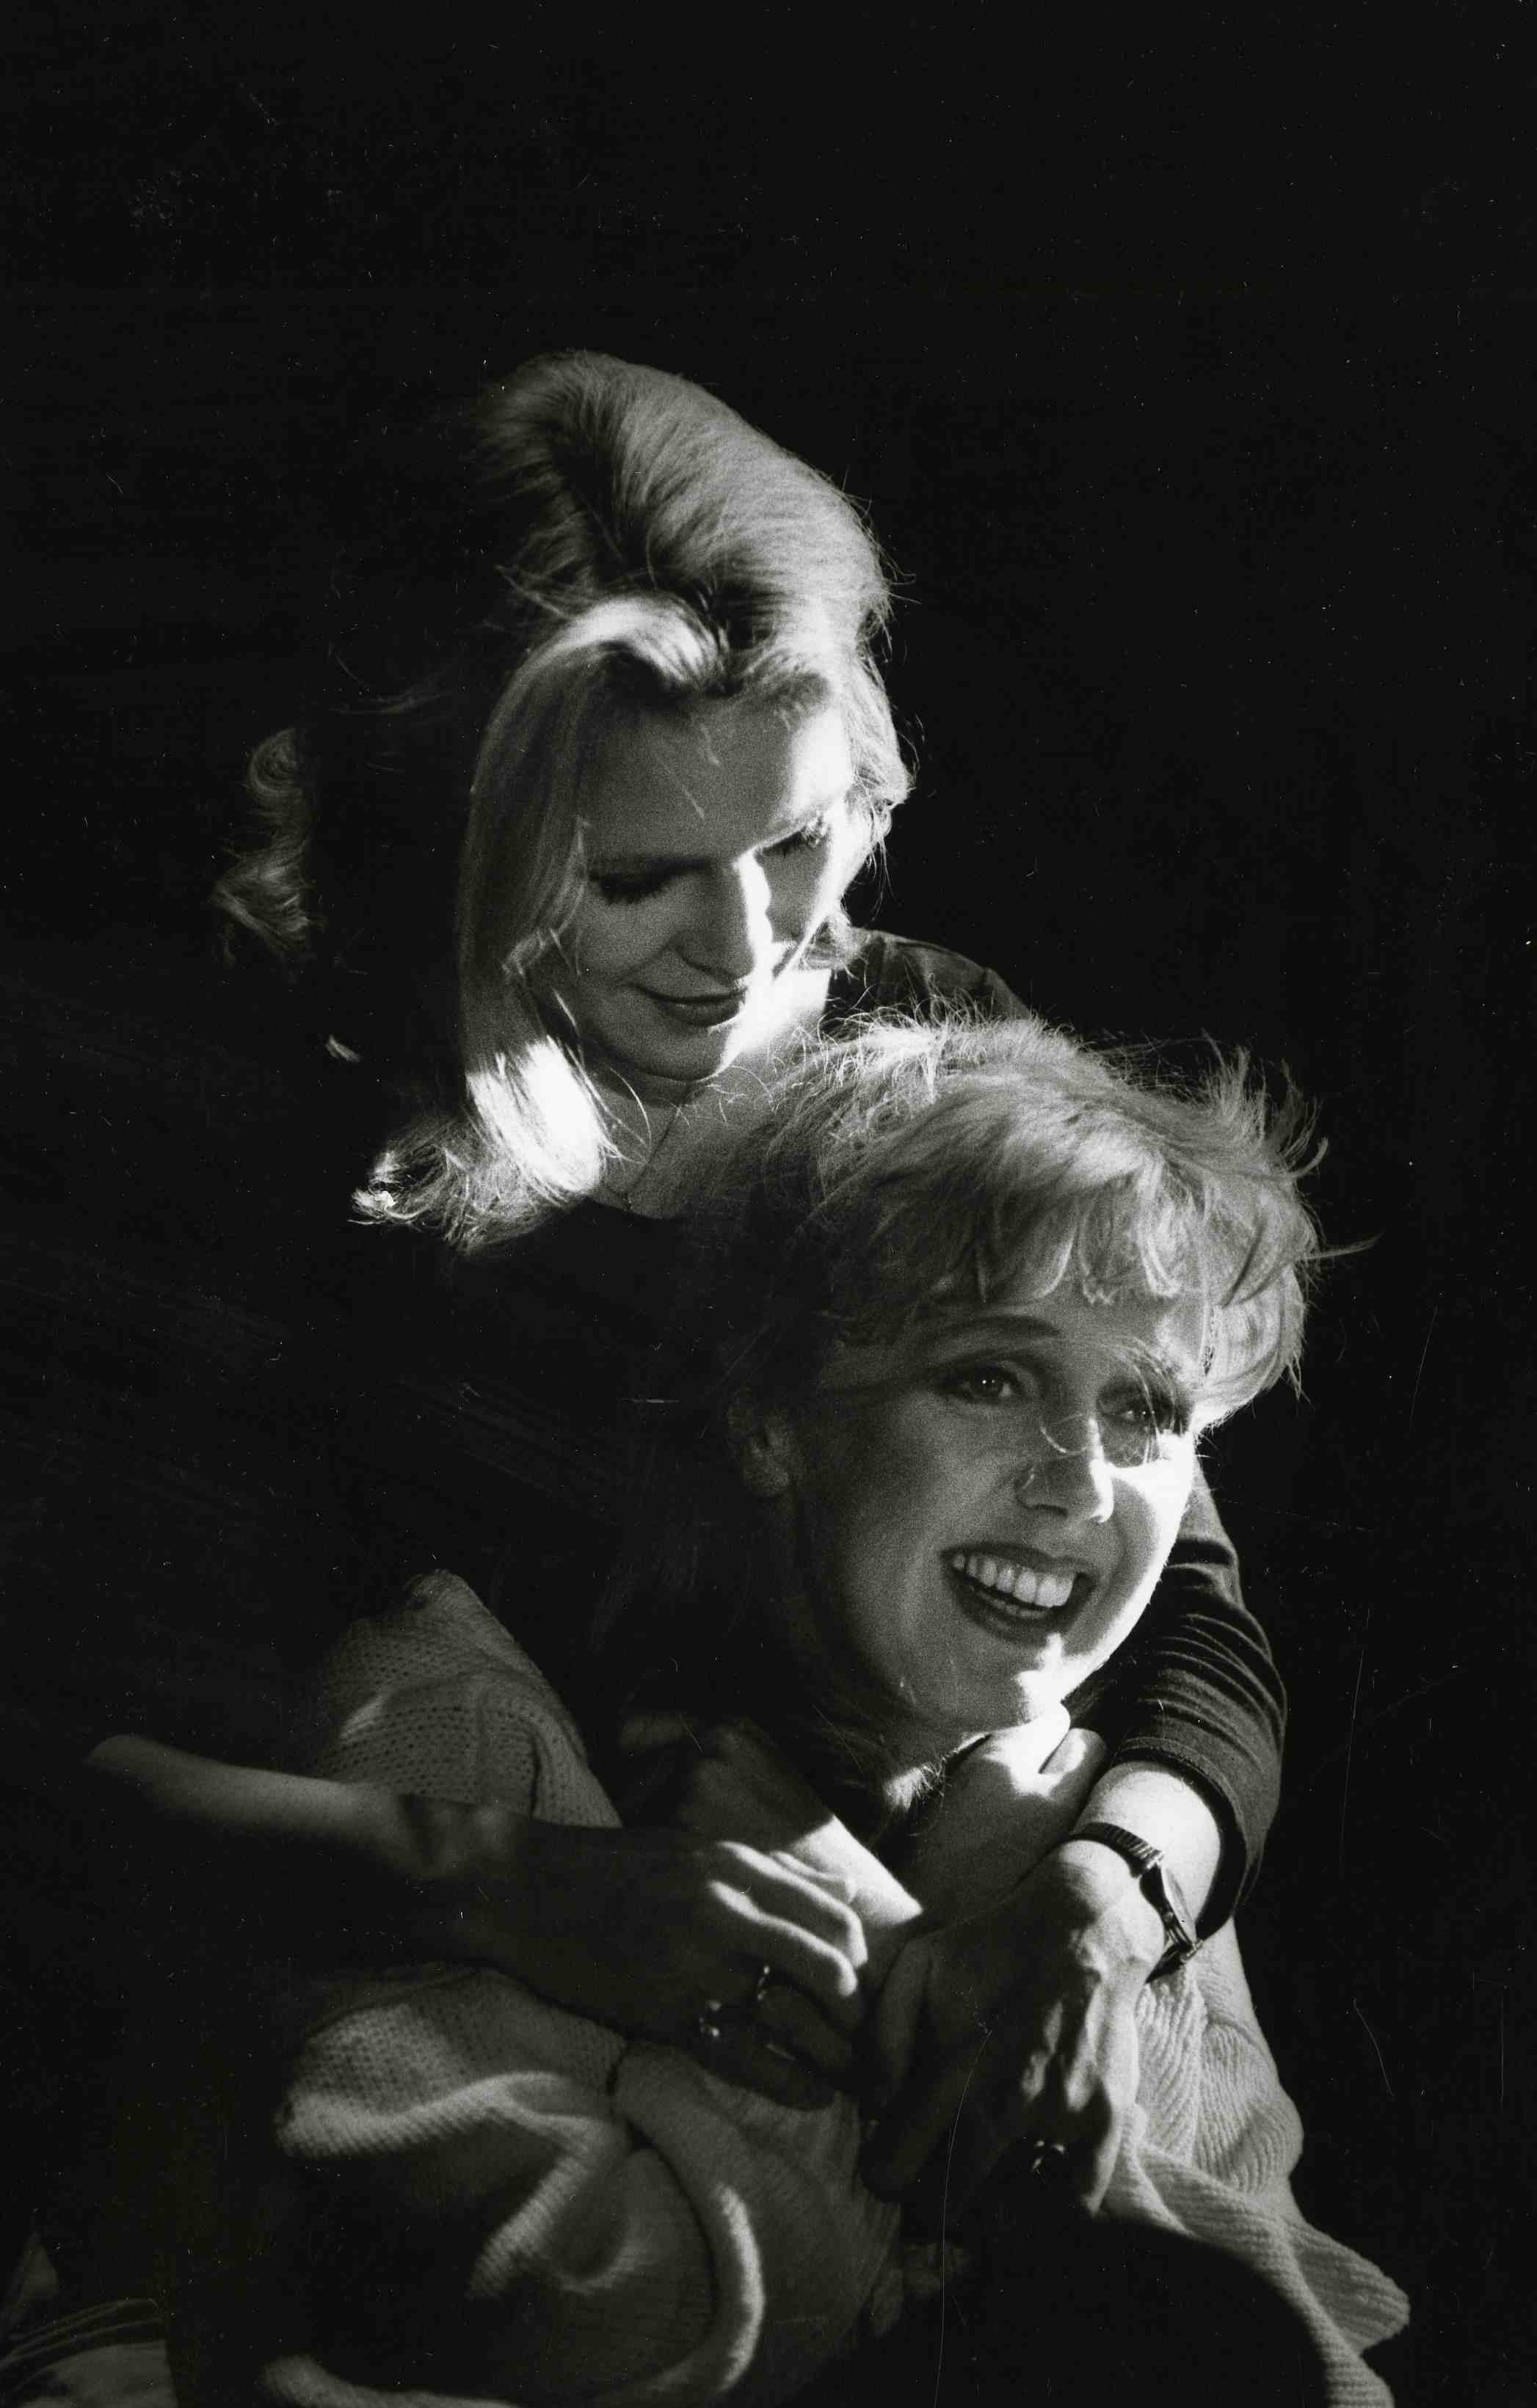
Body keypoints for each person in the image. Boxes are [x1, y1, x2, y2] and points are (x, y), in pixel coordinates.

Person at [7, 352, 1287, 2373]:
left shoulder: (923, 1041)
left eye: (797, 840)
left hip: (898, 1985)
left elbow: (1194, 1619)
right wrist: (521, 1886)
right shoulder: (246, 1132)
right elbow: (73, 1771)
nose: (748, 947)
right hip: (423, 2039)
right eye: (630, 880)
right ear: (442, 840)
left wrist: (1098, 1905)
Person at [158, 1012, 1406, 2406]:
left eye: (1146, 1409)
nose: (1079, 1485)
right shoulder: (464, 1710)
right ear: (771, 1418)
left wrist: (893, 1934)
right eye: (988, 1376)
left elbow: (1301, 2360)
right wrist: (894, 1997)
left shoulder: (1099, 1846)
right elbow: (558, 2303)